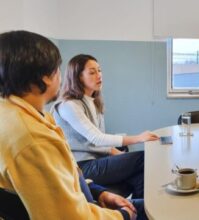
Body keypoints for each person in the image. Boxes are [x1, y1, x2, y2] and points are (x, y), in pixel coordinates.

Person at [0, 30, 140, 219]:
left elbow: (68, 176)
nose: (99, 75)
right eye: (58, 68)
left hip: (88, 200)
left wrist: (98, 191)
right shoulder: (33, 138)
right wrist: (122, 216)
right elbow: (69, 216)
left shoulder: (19, 115)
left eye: (99, 70)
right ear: (46, 77)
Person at [52, 54, 159, 199]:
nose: (99, 75)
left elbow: (99, 141)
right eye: (92, 72)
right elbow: (96, 138)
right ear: (78, 77)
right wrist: (138, 138)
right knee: (142, 158)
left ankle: (137, 210)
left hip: (97, 160)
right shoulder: (68, 105)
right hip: (82, 167)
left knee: (139, 176)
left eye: (99, 70)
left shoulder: (93, 101)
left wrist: (119, 155)